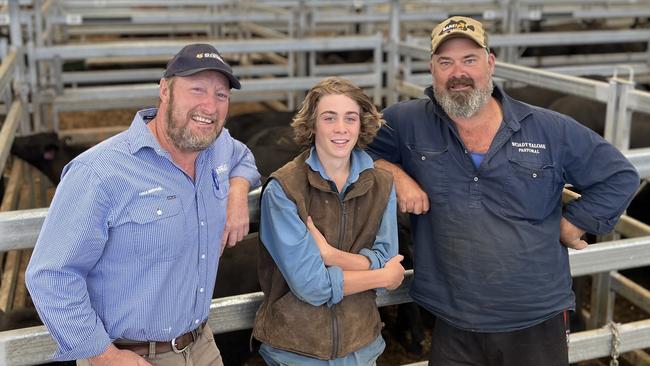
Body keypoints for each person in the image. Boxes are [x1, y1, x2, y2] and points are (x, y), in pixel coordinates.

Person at [367, 16, 640, 366]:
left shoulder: (547, 128)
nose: (458, 73)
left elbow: (619, 176)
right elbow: (360, 151)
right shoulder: (407, 122)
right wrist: (396, 175)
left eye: (470, 60)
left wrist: (575, 222)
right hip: (453, 320)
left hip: (534, 317)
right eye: (446, 62)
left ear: (490, 64)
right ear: (431, 69)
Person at [25, 43, 261, 366]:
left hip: (203, 345)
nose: (210, 105)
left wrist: (237, 191)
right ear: (165, 90)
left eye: (221, 95)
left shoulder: (217, 147)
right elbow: (50, 275)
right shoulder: (99, 172)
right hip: (132, 356)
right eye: (197, 90)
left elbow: (244, 158)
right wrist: (103, 355)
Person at [252, 77, 405, 365]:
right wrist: (381, 276)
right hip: (298, 353)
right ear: (312, 124)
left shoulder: (382, 182)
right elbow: (312, 286)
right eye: (329, 117)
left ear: (362, 124)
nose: (341, 129)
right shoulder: (285, 188)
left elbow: (388, 255)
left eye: (350, 118)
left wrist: (330, 255)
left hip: (362, 349)